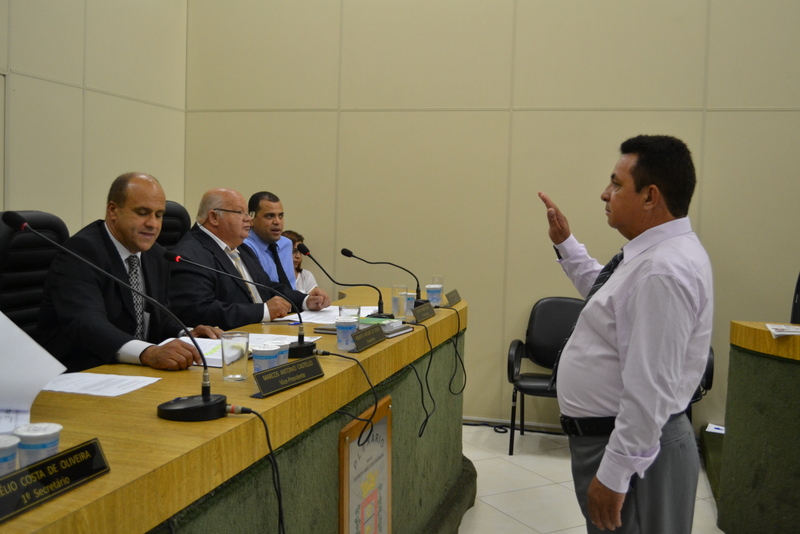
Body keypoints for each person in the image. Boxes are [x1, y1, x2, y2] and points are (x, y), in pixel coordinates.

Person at [538, 135, 713, 533]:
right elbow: (609, 304)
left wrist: (615, 474)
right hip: (620, 442)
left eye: (616, 184)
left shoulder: (663, 271)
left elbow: (651, 387)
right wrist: (566, 244)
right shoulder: (651, 256)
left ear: (650, 196)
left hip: (635, 453)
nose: (605, 194)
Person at [36, 173, 222, 372]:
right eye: (142, 213)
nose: (153, 224)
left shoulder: (156, 255)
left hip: (132, 371)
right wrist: (148, 352)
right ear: (113, 210)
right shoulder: (81, 252)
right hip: (82, 370)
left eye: (159, 215)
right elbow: (88, 324)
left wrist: (187, 334)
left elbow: (158, 316)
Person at [168, 188, 330, 331]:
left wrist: (305, 300)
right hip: (229, 342)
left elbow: (267, 286)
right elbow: (198, 311)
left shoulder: (241, 248)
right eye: (240, 213)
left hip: (265, 333)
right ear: (214, 217)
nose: (249, 220)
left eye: (248, 214)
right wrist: (263, 311)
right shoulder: (189, 255)